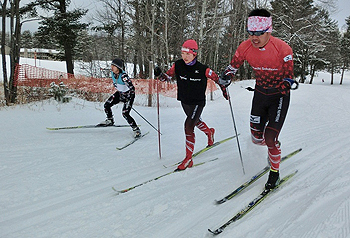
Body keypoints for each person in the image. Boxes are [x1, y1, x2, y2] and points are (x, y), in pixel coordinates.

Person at [220, 9, 298, 190]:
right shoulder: (244, 47)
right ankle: (274, 146)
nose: (254, 37)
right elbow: (233, 67)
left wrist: (286, 84)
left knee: (269, 138)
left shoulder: (283, 48)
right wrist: (225, 76)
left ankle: (274, 173)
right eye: (251, 33)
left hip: (279, 96)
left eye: (259, 33)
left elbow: (289, 74)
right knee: (256, 138)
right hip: (260, 94)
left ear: (269, 30)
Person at [154, 39, 229, 171]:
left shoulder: (203, 69)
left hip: (198, 102)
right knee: (195, 121)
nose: (185, 56)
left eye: (188, 54)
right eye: (183, 53)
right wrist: (160, 75)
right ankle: (209, 132)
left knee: (188, 126)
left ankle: (188, 159)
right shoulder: (177, 65)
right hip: (184, 101)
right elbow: (167, 77)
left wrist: (224, 91)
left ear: (194, 54)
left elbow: (219, 80)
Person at [98, 58, 141, 138]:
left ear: (118, 67)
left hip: (128, 96)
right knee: (107, 105)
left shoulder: (124, 76)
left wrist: (128, 100)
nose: (111, 67)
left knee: (125, 113)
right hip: (120, 94)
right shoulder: (113, 73)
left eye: (113, 66)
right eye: (111, 65)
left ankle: (136, 129)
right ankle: (110, 120)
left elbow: (132, 88)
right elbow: (106, 70)